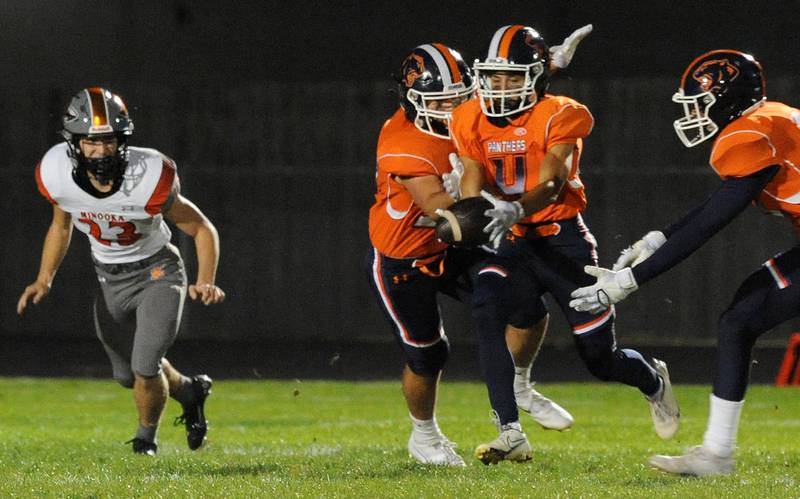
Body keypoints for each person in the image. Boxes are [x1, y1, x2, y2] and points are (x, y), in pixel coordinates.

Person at [450, 24, 680, 464]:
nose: (500, 86)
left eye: (513, 77)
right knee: (487, 308)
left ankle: (653, 381)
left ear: (535, 77)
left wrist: (516, 207)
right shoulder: (468, 117)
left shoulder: (561, 112)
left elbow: (553, 183)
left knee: (599, 358)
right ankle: (510, 429)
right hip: (511, 242)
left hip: (563, 244)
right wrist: (465, 209)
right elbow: (473, 183)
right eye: (494, 76)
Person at [570, 49, 797, 477]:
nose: (695, 114)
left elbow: (711, 224)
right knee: (740, 319)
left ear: (728, 98)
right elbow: (718, 204)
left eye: (702, 103)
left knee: (740, 319)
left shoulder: (752, 133)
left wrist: (629, 281)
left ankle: (717, 455)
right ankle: (716, 454)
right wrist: (660, 237)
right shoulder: (770, 118)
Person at [366, 42, 573, 467]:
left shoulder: (476, 111)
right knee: (428, 354)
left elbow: (514, 88)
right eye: (438, 102)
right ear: (412, 100)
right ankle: (423, 436)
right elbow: (445, 213)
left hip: (460, 248)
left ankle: (519, 384)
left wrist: (545, 66)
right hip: (410, 254)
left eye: (457, 98)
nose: (450, 109)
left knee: (526, 302)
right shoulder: (402, 140)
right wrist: (477, 185)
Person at [17, 87, 225, 456]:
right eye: (91, 142)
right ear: (74, 144)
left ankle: (145, 441)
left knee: (145, 366)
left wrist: (205, 278)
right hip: (109, 278)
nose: (101, 151)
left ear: (122, 140)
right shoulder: (57, 174)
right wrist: (44, 277)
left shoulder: (147, 174)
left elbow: (200, 227)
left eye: (109, 141)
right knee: (127, 375)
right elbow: (61, 226)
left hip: (157, 271)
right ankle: (190, 391)